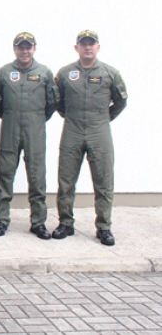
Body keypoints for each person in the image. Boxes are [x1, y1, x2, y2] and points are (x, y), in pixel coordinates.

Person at [52, 30, 127, 246]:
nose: (87, 47)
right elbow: (57, 101)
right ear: (76, 47)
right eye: (83, 44)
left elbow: (120, 101)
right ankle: (65, 223)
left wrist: (103, 119)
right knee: (66, 180)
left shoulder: (110, 73)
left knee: (103, 181)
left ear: (98, 47)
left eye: (91, 44)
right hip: (72, 130)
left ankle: (104, 226)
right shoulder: (65, 73)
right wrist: (71, 116)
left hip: (99, 131)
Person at [0, 32, 58, 239]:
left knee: (37, 175)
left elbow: (52, 103)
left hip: (35, 127)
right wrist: (11, 116)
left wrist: (36, 118)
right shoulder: (4, 72)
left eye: (28, 47)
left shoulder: (45, 72)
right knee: (4, 173)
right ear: (15, 49)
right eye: (21, 47)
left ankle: (38, 222)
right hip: (10, 125)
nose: (25, 51)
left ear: (34, 49)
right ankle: (1, 220)